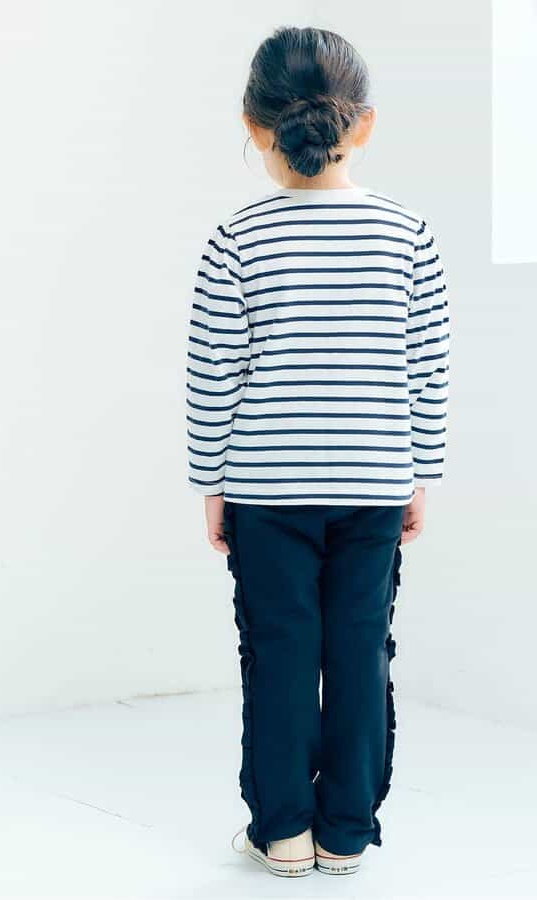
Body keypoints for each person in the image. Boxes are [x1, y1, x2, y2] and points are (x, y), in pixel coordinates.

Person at [186, 25, 449, 878]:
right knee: (361, 654)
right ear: (363, 123)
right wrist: (420, 474)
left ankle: (284, 833)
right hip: (375, 483)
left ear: (253, 125)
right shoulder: (409, 234)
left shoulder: (236, 238)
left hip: (267, 490)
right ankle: (346, 833)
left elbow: (213, 377)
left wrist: (211, 483)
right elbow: (426, 370)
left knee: (281, 657)